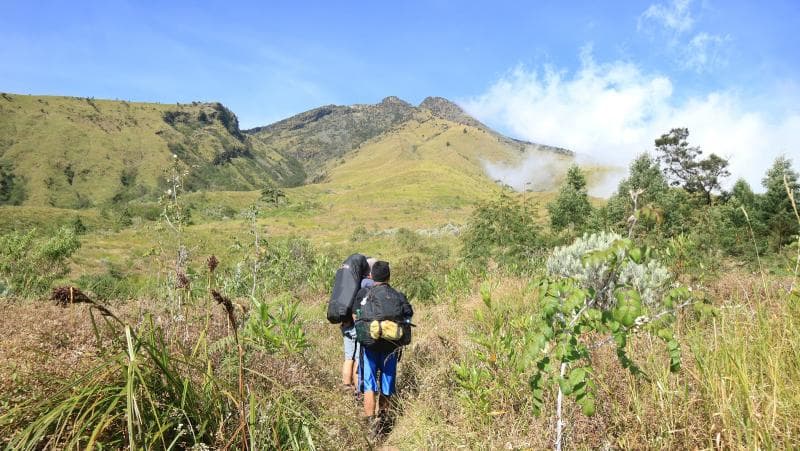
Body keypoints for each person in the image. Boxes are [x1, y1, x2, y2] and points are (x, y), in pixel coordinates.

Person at [351, 260, 413, 429]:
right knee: (387, 383)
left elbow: (356, 317)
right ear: (389, 276)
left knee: (369, 384)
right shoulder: (398, 295)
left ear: (371, 276)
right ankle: (384, 422)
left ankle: (371, 424)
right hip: (391, 347)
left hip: (370, 346)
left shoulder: (364, 294)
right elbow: (408, 314)